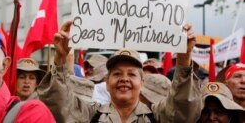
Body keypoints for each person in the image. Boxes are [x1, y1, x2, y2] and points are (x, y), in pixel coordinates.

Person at [38, 21, 202, 122]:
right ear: (107, 83)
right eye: (117, 74)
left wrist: (184, 57)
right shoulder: (90, 114)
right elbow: (59, 105)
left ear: (142, 83)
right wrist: (60, 58)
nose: (124, 79)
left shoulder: (158, 116)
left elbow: (183, 111)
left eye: (131, 74)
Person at [0, 26, 55, 123]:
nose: (27, 82)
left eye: (32, 78)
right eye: (22, 77)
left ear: (4, 66)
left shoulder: (36, 113)